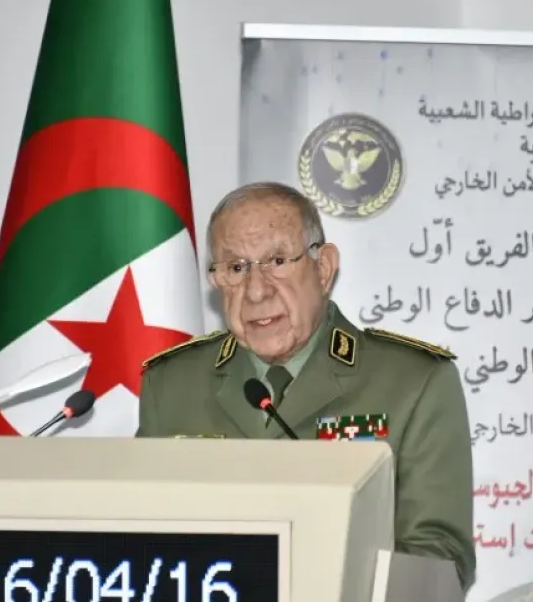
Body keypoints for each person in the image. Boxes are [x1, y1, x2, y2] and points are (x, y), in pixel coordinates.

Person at [135, 181, 475, 590]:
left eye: (277, 261)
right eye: (236, 268)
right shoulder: (171, 385)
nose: (256, 291)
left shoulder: (414, 382)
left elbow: (438, 557)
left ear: (323, 268)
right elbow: (141, 538)